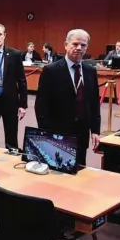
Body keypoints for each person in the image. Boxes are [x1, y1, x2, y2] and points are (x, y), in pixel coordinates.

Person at [35, 29, 101, 165]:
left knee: (80, 171)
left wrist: (95, 130)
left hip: (82, 133)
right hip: (58, 133)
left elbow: (94, 103)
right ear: (66, 45)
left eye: (83, 45)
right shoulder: (51, 70)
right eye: (75, 44)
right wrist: (46, 135)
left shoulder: (90, 71)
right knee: (58, 172)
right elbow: (41, 107)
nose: (79, 48)